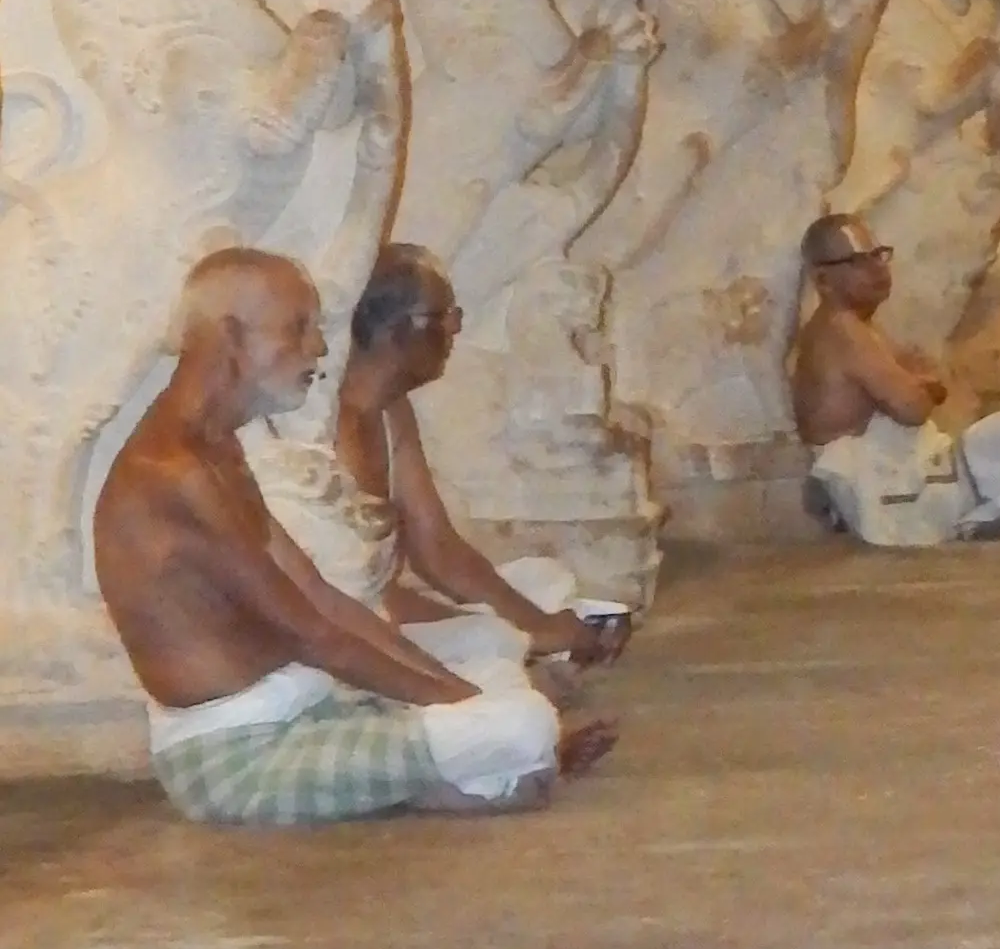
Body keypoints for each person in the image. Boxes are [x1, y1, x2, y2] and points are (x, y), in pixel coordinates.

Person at [94, 250, 613, 824]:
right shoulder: (173, 473)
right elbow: (314, 635)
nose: (318, 348)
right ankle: (491, 767)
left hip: (306, 706)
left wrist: (464, 696)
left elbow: (321, 597)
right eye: (297, 328)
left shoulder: (218, 448)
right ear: (230, 337)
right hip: (238, 756)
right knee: (523, 722)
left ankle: (483, 772)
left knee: (498, 685)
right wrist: (478, 709)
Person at [255, 242, 636, 686]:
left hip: (383, 607)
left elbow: (438, 549)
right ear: (401, 330)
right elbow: (353, 600)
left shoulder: (390, 409)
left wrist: (539, 624)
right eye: (446, 316)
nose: (455, 329)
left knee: (543, 579)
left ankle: (522, 665)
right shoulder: (327, 430)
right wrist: (520, 631)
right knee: (497, 645)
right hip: (352, 631)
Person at [789, 214, 1000, 547]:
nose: (877, 268)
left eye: (878, 255)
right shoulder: (842, 331)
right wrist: (924, 386)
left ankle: (996, 509)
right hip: (884, 479)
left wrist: (920, 384)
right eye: (857, 261)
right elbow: (912, 408)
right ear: (823, 280)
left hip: (909, 466)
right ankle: (987, 513)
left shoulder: (861, 327)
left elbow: (919, 382)